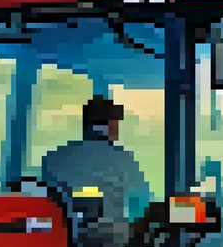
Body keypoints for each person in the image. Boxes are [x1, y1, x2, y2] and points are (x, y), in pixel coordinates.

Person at [38, 96, 153, 225]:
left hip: (63, 239)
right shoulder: (123, 159)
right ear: (112, 125)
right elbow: (141, 204)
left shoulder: (52, 159)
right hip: (112, 239)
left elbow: (45, 200)